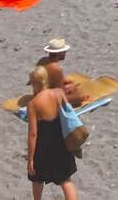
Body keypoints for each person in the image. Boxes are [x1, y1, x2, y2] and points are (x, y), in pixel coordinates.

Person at [25, 62, 78, 199]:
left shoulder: (33, 104)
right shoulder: (58, 93)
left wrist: (30, 159)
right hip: (61, 141)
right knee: (65, 181)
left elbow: (33, 134)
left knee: (36, 178)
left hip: (43, 145)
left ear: (35, 83)